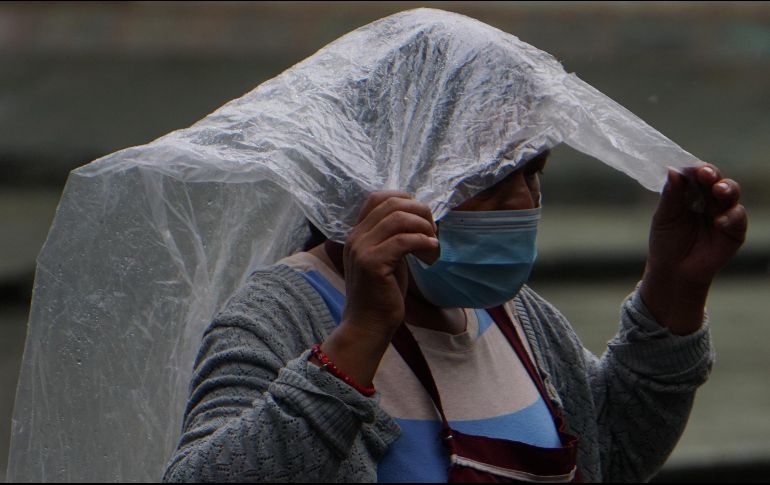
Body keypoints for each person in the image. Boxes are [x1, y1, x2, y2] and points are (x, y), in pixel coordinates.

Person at [162, 148, 747, 482]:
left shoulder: (517, 317)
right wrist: (358, 342)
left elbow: (611, 453)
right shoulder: (283, 315)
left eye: (532, 171)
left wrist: (674, 288)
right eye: (490, 175)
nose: (523, 200)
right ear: (393, 172)